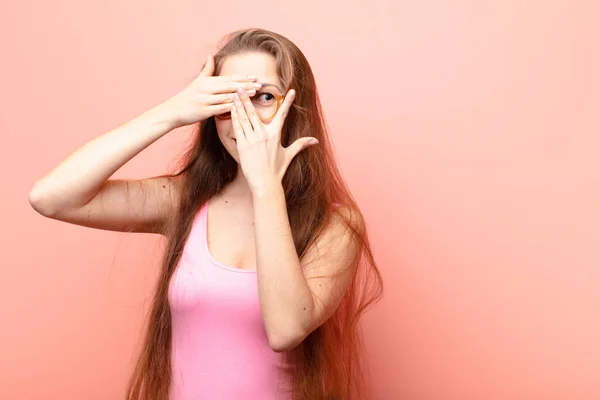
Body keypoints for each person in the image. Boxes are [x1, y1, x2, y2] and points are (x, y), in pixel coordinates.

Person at [29, 28, 383, 400]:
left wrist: (265, 186)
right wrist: (171, 113)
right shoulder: (186, 200)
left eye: (264, 97)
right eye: (228, 99)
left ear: (296, 111)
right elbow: (51, 197)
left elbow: (285, 329)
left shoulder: (336, 225)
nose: (243, 115)